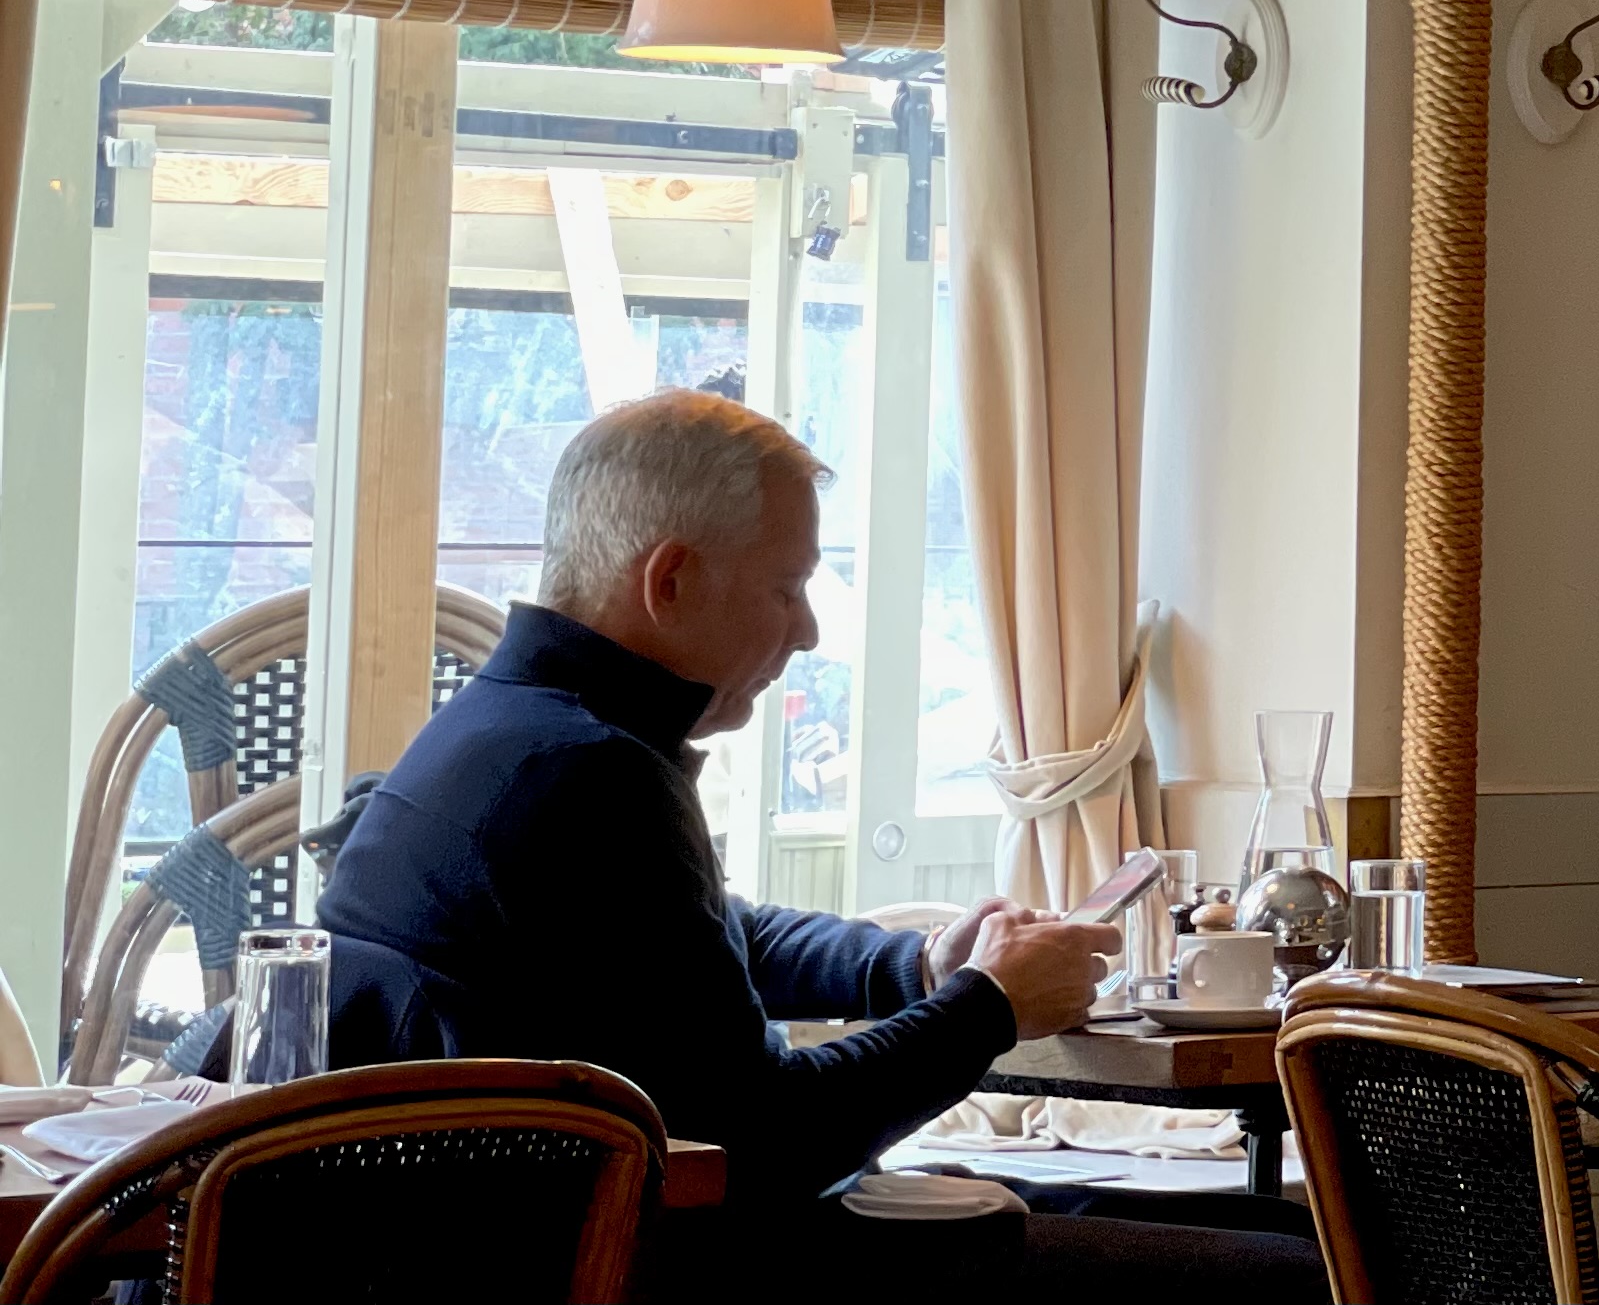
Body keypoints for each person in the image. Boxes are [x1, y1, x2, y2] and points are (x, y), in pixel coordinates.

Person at [317, 390, 1320, 1293]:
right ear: (671, 579)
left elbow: (716, 937)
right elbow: (766, 1143)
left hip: (556, 1242)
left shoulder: (505, 732)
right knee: (1291, 1269)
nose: (805, 633)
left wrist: (917, 966)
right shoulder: (586, 772)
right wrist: (989, 1007)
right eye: (785, 588)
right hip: (692, 1261)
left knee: (1265, 1228)